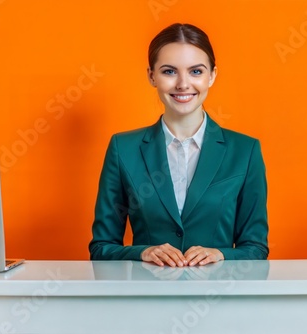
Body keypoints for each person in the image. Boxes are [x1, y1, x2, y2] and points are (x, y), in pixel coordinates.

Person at [89, 23, 268, 267]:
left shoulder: (245, 151)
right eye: (169, 71)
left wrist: (221, 254)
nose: (183, 84)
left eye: (196, 71)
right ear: (151, 75)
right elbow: (101, 248)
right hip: (147, 299)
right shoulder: (123, 148)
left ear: (212, 75)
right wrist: (142, 252)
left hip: (218, 299)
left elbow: (256, 249)